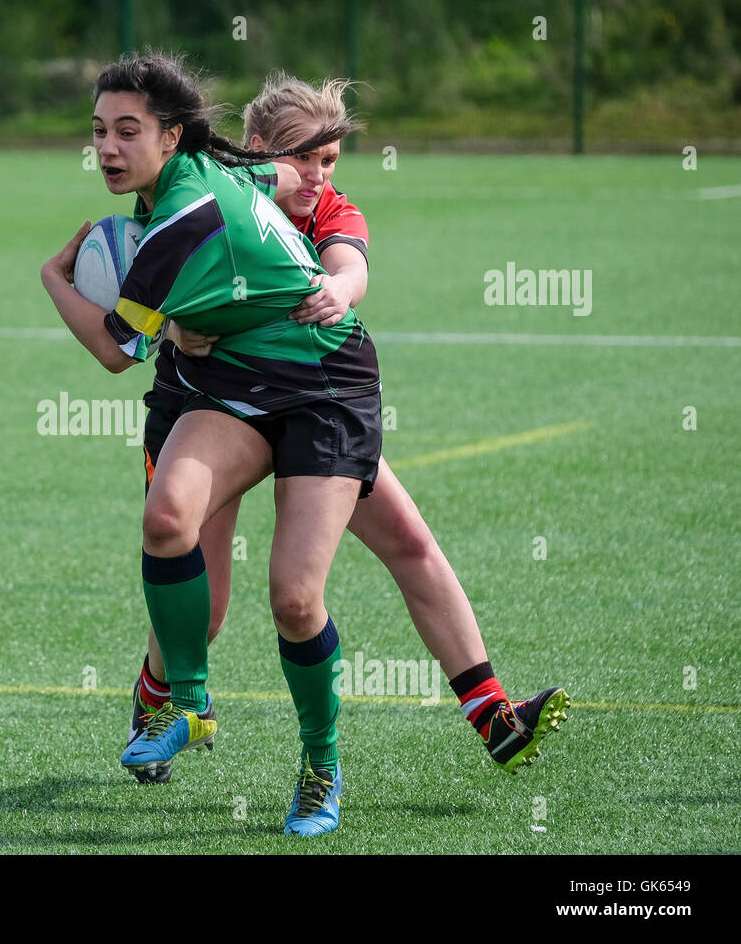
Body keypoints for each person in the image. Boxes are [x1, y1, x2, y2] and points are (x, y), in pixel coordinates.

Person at [127, 72, 571, 785]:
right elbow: (143, 292)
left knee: (408, 543)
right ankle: (157, 702)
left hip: (310, 401)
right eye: (302, 156)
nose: (316, 175)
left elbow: (348, 264)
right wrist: (173, 328)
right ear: (258, 148)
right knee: (205, 604)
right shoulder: (207, 193)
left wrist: (338, 288)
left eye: (329, 160)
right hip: (208, 403)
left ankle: (493, 714)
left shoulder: (330, 210)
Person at [40, 53, 377, 836]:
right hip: (237, 383)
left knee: (295, 599)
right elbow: (279, 177)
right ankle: (188, 704)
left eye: (128, 132)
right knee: (168, 517)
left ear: (172, 137)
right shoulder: (204, 171)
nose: (108, 148)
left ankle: (320, 767)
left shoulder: (180, 219)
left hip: (325, 386)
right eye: (99, 131)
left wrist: (54, 280)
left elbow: (115, 350)